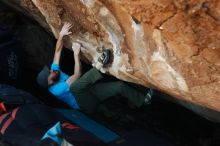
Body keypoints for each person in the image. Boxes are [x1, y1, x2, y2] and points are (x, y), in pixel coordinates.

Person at [37, 22, 154, 113]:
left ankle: (143, 100)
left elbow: (57, 52)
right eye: (50, 73)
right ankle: (99, 65)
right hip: (85, 105)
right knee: (75, 87)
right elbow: (77, 75)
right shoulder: (57, 90)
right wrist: (76, 54)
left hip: (89, 91)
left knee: (118, 86)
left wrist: (61, 34)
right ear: (50, 83)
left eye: (50, 70)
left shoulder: (54, 72)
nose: (52, 70)